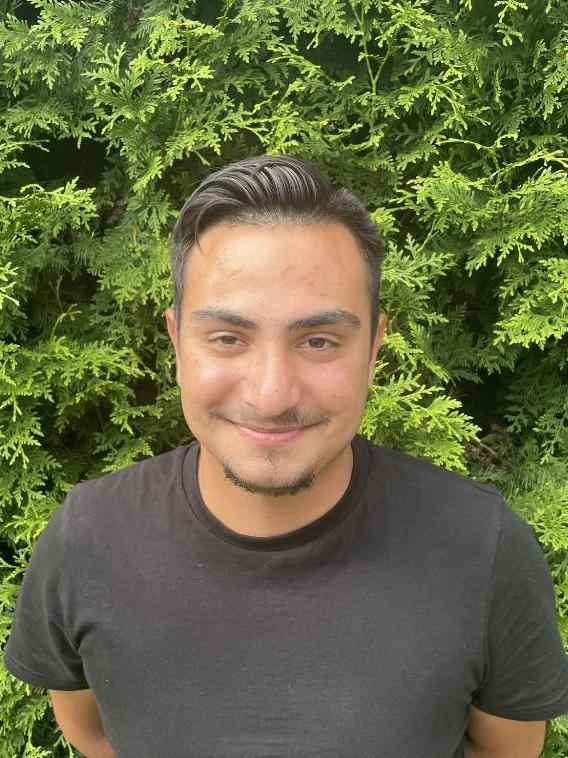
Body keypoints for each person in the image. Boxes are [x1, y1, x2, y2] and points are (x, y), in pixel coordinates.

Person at [4, 155, 568, 758]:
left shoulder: (481, 546)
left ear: (373, 348)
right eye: (228, 338)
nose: (271, 396)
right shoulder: (88, 536)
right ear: (177, 343)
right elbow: (92, 733)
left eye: (318, 341)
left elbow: (506, 750)